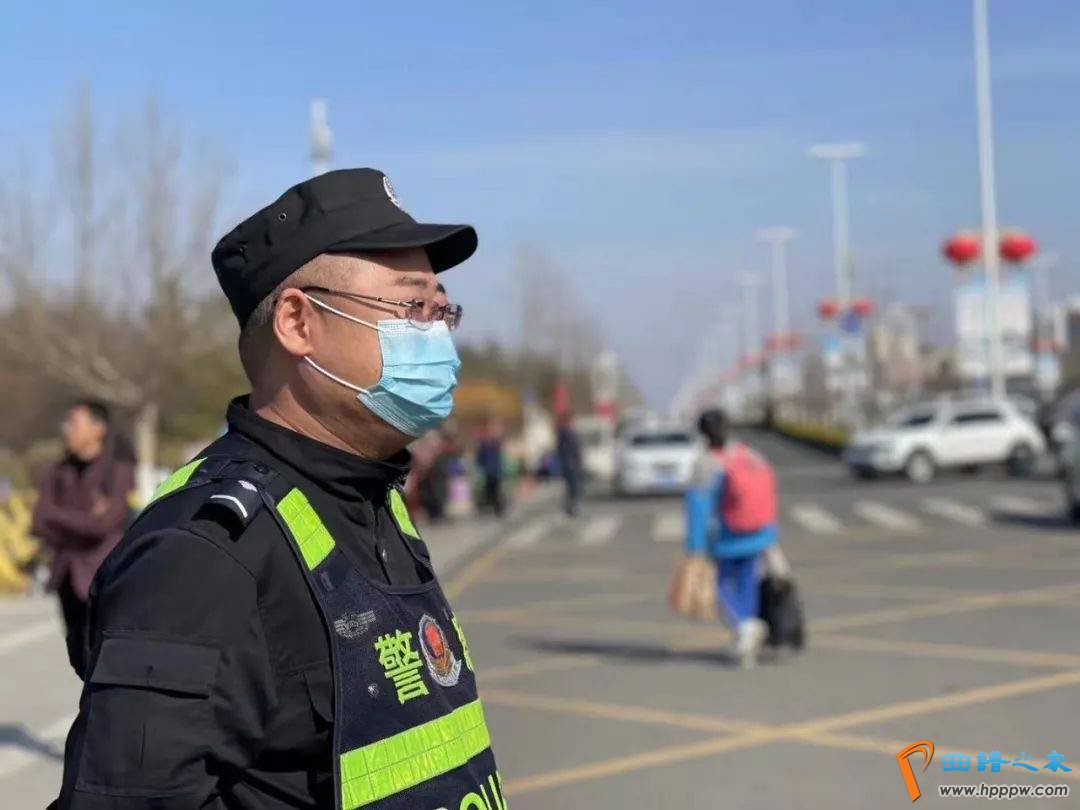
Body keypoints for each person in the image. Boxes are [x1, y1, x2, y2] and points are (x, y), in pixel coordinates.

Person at [52, 169, 503, 810]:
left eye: (442, 311)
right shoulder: (202, 556)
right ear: (297, 322)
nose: (438, 337)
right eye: (411, 309)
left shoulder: (374, 503)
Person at [31, 400, 134, 678]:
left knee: (103, 658)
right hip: (67, 575)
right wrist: (83, 518)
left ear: (98, 428)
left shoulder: (116, 470)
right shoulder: (59, 470)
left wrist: (58, 516)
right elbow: (39, 520)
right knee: (79, 658)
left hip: (103, 574)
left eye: (74, 423)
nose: (67, 429)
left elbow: (104, 525)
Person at [685, 408, 777, 668]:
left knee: (721, 587)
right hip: (757, 533)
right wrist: (769, 533)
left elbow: (698, 508)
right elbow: (767, 494)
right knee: (747, 583)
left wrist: (695, 546)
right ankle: (746, 646)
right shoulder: (751, 456)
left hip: (726, 536)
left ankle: (745, 627)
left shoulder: (706, 464)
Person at [474, 416, 505, 516]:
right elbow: (480, 458)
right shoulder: (485, 445)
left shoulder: (495, 444)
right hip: (488, 471)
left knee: (494, 490)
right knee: (489, 490)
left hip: (494, 471)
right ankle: (491, 507)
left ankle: (496, 508)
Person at [555, 411, 584, 516]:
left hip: (570, 463)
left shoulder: (565, 432)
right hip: (571, 464)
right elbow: (571, 449)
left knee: (573, 486)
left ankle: (572, 506)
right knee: (574, 486)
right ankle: (573, 507)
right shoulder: (566, 432)